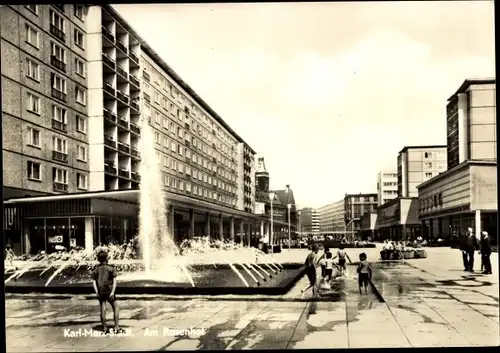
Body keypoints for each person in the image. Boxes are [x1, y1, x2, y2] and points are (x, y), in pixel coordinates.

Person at [92, 250, 122, 333]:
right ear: (106, 258)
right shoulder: (111, 268)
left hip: (100, 291)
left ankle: (104, 327)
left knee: (103, 308)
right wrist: (112, 292)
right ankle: (116, 326)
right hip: (109, 290)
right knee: (116, 307)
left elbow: (94, 282)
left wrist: (97, 292)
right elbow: (115, 282)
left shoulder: (96, 269)